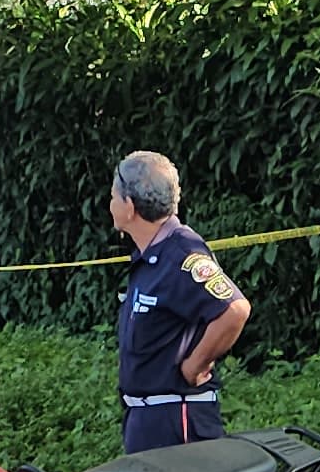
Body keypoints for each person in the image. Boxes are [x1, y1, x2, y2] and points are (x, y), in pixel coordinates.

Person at [107, 150, 252, 451]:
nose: (109, 205)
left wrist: (194, 365)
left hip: (178, 419)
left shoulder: (182, 253)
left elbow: (234, 310)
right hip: (147, 419)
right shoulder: (150, 257)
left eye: (112, 196)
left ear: (130, 206)